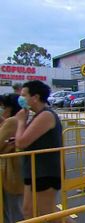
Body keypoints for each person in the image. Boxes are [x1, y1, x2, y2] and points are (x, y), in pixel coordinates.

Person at [14, 81, 73, 222]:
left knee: (47, 214)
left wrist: (21, 121)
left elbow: (21, 143)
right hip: (33, 170)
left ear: (35, 97)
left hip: (45, 172)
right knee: (28, 211)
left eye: (24, 95)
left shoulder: (46, 115)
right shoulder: (36, 115)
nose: (20, 98)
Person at [0, 93, 24, 223]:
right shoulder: (16, 120)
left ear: (9, 108)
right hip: (16, 173)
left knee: (13, 211)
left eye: (3, 107)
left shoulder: (12, 121)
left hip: (11, 174)